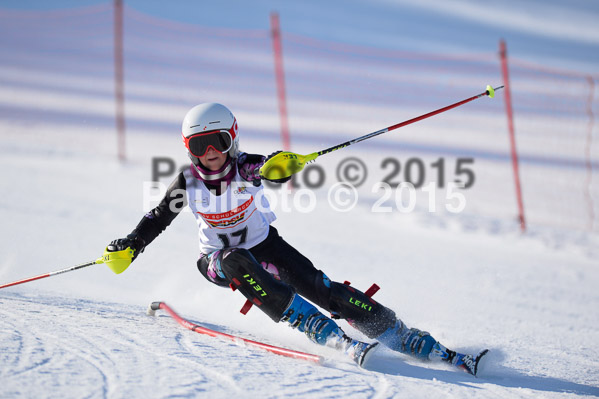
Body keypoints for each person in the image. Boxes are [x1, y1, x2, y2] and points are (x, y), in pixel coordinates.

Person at [107, 103, 487, 373]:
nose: (210, 154)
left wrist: (280, 165)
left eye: (218, 143)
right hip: (216, 262)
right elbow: (157, 218)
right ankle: (319, 330)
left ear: (232, 139)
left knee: (322, 289)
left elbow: (266, 169)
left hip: (264, 246)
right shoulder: (187, 182)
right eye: (198, 146)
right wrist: (131, 244)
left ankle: (405, 336)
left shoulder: (244, 167)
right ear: (187, 149)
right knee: (235, 260)